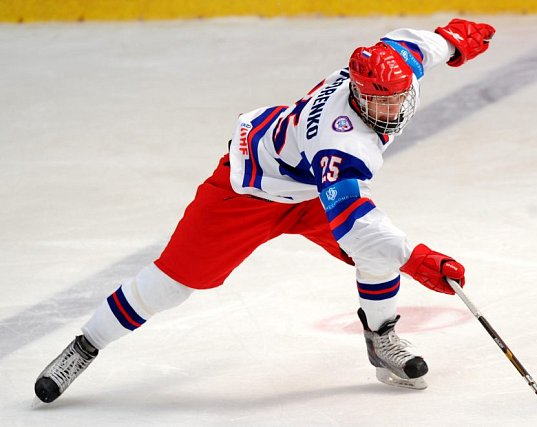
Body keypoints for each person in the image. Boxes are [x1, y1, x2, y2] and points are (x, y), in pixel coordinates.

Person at [34, 18, 495, 402]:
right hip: (247, 194)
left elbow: (419, 46)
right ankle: (86, 344)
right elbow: (357, 227)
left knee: (377, 256)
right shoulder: (341, 143)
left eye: (397, 96)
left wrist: (453, 40)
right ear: (358, 95)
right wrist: (417, 260)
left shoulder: (393, 68)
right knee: (171, 283)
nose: (393, 108)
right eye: (381, 101)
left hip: (308, 188)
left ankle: (381, 337)